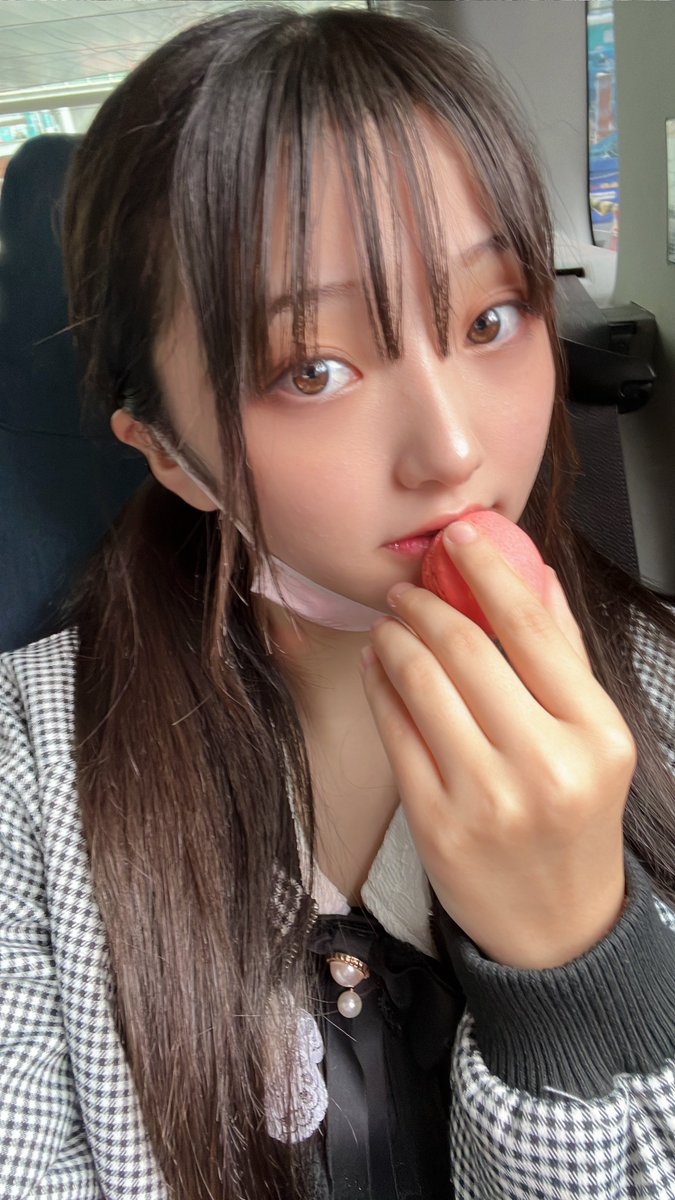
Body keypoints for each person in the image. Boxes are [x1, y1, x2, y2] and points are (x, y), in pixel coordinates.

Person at [1, 6, 674, 1198]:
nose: (454, 449)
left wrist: (573, 966)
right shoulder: (26, 772)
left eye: (490, 319)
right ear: (168, 454)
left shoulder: (662, 684)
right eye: (314, 369)